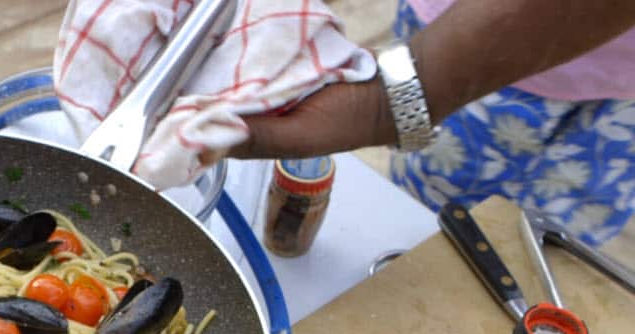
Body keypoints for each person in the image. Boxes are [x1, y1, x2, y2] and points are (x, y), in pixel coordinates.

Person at [228, 0, 635, 246]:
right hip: (459, 36)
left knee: (564, 246)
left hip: (597, 90)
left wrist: (387, 106)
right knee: (428, 218)